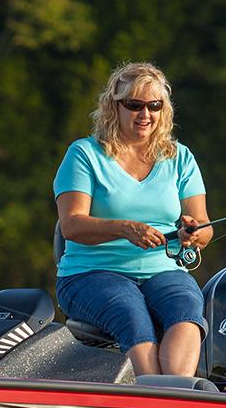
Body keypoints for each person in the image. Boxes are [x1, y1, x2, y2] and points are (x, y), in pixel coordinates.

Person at [53, 61, 210, 377]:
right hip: (91, 273)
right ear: (115, 107)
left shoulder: (180, 157)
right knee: (130, 312)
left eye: (154, 105)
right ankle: (153, 394)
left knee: (187, 308)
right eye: (135, 105)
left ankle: (174, 394)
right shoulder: (84, 154)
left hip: (164, 270)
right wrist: (125, 229)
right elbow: (71, 225)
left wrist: (193, 232)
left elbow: (204, 228)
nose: (145, 114)